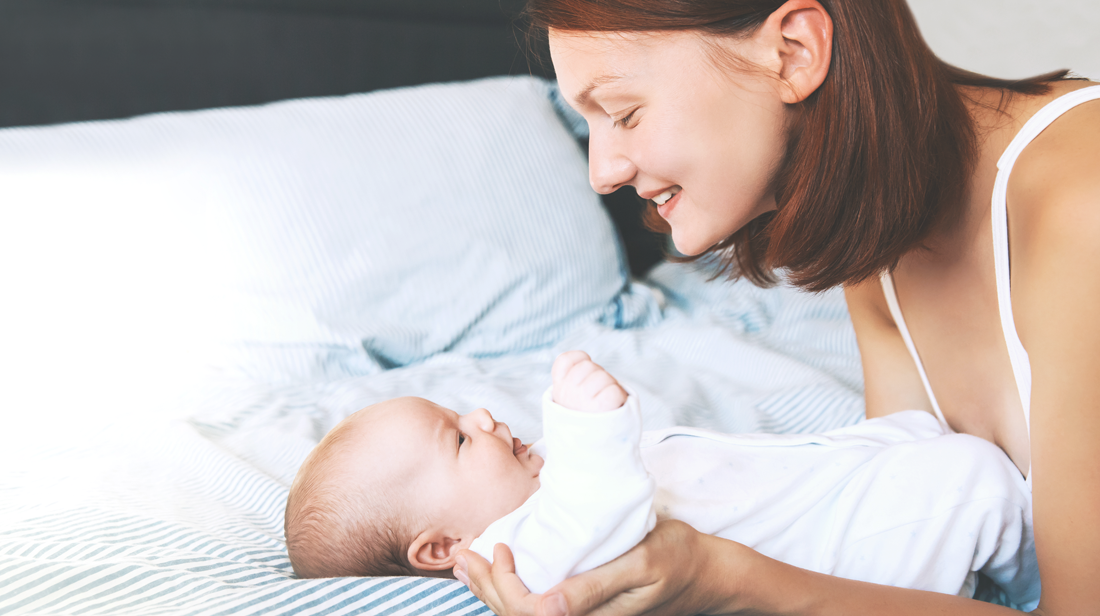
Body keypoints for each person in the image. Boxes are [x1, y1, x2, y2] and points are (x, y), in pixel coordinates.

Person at [454, 1, 1100, 615]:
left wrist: (726, 577)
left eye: (623, 112)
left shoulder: (1083, 208)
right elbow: (903, 542)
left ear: (792, 52)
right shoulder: (881, 223)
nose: (602, 173)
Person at [285, 352, 1038, 608]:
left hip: (811, 481)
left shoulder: (535, 488)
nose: (483, 415)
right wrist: (587, 424)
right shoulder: (524, 556)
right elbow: (597, 503)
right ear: (441, 547)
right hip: (850, 553)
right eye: (456, 437)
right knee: (975, 484)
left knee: (912, 446)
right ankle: (1034, 586)